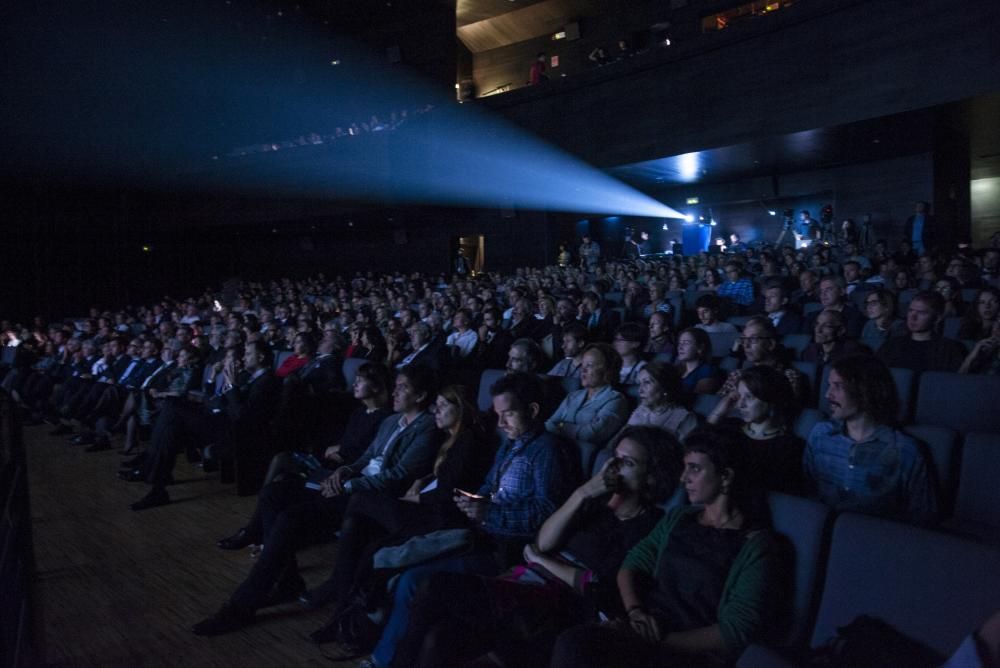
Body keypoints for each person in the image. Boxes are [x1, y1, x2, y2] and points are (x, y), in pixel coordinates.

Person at [393, 426, 682, 668]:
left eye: (628, 463)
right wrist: (582, 493)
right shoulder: (594, 501)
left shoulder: (650, 525)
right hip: (527, 582)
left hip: (561, 603)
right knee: (440, 637)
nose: (615, 470)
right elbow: (544, 540)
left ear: (652, 476)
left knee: (434, 586)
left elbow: (596, 586)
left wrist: (540, 560)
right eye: (615, 459)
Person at [190, 365, 442, 636]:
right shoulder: (391, 420)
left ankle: (241, 606)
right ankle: (287, 579)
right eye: (396, 385)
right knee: (274, 493)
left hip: (369, 497)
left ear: (420, 395)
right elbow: (366, 458)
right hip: (349, 482)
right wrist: (343, 471)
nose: (395, 391)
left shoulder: (426, 428)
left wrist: (348, 484)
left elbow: (397, 476)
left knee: (291, 518)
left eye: (403, 387)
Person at [360, 372, 577, 668]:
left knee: (414, 580)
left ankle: (387, 660)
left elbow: (546, 511)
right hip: (477, 533)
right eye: (498, 415)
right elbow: (489, 486)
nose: (500, 423)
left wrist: (490, 512)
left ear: (533, 410)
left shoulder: (546, 450)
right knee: (400, 562)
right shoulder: (510, 444)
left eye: (508, 414)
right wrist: (473, 500)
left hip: (506, 550)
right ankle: (381, 652)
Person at [550, 427, 787, 668]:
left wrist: (655, 641)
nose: (684, 479)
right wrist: (635, 611)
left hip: (685, 650)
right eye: (685, 468)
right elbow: (633, 563)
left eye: (694, 468)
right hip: (644, 626)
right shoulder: (681, 517)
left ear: (725, 477)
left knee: (577, 648)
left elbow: (735, 630)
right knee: (572, 642)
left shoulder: (756, 546)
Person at [301, 385, 491, 617]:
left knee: (360, 501)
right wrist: (424, 480)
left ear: (461, 408)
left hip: (440, 517)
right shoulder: (452, 439)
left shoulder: (468, 440)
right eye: (436, 406)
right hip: (429, 507)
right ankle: (344, 604)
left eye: (443, 406)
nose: (436, 412)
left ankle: (340, 591)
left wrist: (415, 497)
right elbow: (447, 475)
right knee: (357, 527)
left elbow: (450, 490)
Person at [804, 354, 938, 524]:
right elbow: (807, 492)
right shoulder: (820, 434)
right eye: (829, 385)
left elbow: (922, 516)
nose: (827, 395)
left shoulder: (905, 450)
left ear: (865, 391)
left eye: (838, 386)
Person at [707, 365, 804, 494]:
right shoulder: (730, 426)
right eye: (739, 396)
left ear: (770, 399)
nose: (740, 404)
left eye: (749, 397)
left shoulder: (789, 446)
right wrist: (719, 411)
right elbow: (696, 448)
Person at [546, 344, 630, 458]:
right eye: (583, 365)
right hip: (554, 450)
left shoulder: (616, 400)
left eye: (589, 365)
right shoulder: (573, 395)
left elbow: (589, 435)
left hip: (581, 459)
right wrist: (564, 426)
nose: (583, 370)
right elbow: (549, 424)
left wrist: (561, 425)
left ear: (608, 370)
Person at [876, 290, 967, 373]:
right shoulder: (891, 345)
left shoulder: (949, 349)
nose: (913, 317)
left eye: (921, 313)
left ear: (937, 318)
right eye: (911, 311)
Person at [718, 317, 804, 400]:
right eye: (744, 339)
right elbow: (715, 405)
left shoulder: (788, 377)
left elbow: (784, 412)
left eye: (753, 339)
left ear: (770, 344)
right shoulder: (737, 375)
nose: (746, 345)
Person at [622, 362, 698, 441]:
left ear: (665, 387)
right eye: (639, 383)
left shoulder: (684, 418)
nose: (640, 390)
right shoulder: (640, 409)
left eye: (647, 382)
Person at [801, 309, 869, 367]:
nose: (818, 330)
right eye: (817, 324)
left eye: (826, 326)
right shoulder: (810, 351)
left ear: (841, 330)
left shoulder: (852, 352)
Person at [675, 327, 722, 396]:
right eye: (679, 343)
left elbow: (696, 399)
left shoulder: (708, 371)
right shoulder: (676, 369)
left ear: (700, 348)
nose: (680, 347)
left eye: (686, 343)